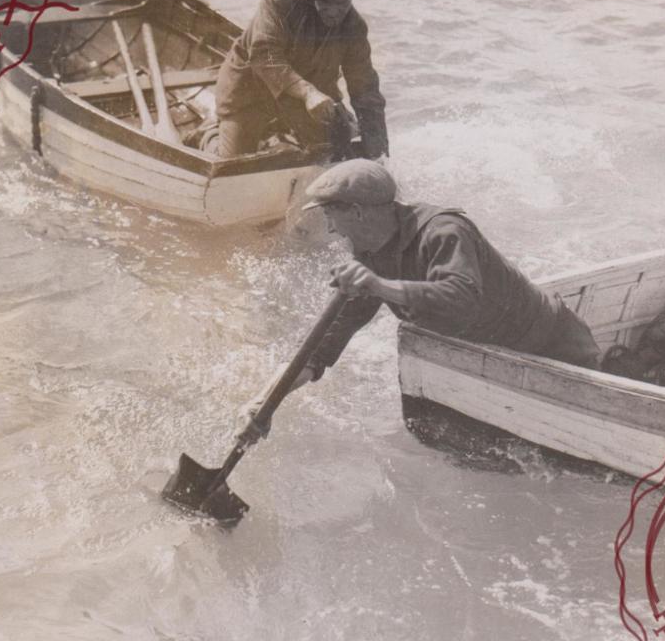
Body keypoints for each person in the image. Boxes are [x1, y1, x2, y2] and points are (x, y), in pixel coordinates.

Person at [241, 160, 600, 438]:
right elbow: (325, 346)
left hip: (555, 348)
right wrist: (267, 401)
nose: (331, 229)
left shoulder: (443, 231)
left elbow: (461, 297)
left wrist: (380, 286)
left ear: (358, 212)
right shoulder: (369, 253)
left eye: (330, 215)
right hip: (497, 357)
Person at [206, 0, 388, 160]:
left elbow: (365, 90)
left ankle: (280, 136)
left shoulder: (354, 27)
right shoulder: (280, 0)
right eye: (325, 4)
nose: (333, 12)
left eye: (342, 4)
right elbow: (265, 55)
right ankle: (209, 134)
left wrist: (378, 152)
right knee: (233, 166)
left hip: (301, 98)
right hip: (250, 89)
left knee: (335, 151)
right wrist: (308, 93)